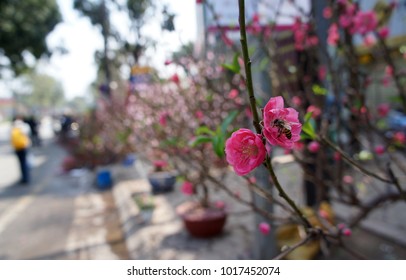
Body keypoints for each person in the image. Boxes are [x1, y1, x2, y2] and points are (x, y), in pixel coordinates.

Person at [11, 116, 31, 184]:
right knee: (25, 162)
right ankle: (26, 177)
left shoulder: (14, 126)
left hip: (17, 147)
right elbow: (28, 135)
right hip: (24, 146)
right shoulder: (24, 126)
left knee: (21, 163)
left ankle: (23, 177)